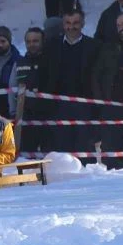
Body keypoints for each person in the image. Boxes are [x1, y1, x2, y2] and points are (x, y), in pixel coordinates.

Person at [41, 8, 100, 154]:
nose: (71, 27)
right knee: (61, 146)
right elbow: (45, 74)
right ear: (63, 24)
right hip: (58, 104)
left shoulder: (93, 46)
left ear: (83, 24)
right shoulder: (51, 46)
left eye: (75, 23)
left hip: (85, 104)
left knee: (84, 146)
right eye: (68, 23)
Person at [91, 13, 123, 168]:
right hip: (111, 107)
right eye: (118, 25)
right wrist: (101, 102)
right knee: (110, 152)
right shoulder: (109, 48)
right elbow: (96, 75)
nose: (121, 28)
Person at [9, 27, 49, 153]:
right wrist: (13, 112)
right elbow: (12, 88)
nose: (31, 44)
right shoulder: (19, 63)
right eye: (28, 41)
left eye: (35, 41)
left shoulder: (51, 61)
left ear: (43, 41)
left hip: (48, 116)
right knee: (26, 153)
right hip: (26, 115)